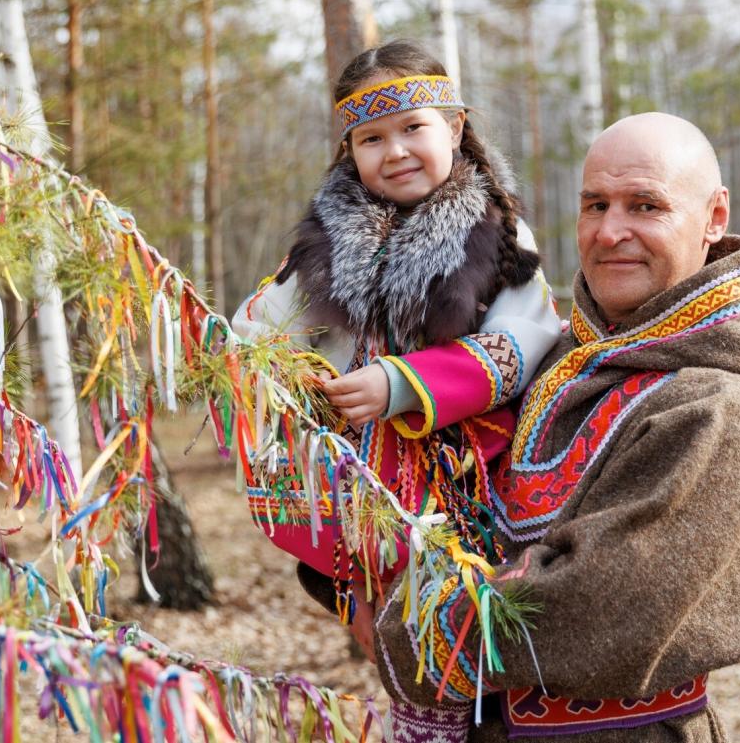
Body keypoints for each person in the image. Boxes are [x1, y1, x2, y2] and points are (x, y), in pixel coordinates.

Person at [372, 112, 740, 742]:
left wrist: (409, 624)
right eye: (595, 205)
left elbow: (596, 606)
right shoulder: (548, 361)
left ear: (714, 218)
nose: (612, 232)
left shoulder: (720, 408)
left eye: (645, 205)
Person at [231, 40, 561, 635]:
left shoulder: (499, 231)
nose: (397, 151)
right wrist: (289, 374)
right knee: (383, 636)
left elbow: (522, 342)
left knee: (454, 642)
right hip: (342, 493)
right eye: (372, 138)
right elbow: (259, 328)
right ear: (349, 150)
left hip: (462, 490)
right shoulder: (320, 242)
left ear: (455, 127)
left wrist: (402, 383)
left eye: (413, 127)